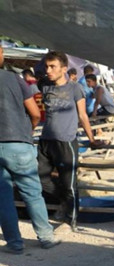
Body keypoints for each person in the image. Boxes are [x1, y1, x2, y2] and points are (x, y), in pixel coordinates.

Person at [0, 45, 60, 254]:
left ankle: (15, 243)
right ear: (1, 54)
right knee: (33, 193)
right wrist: (26, 132)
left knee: (3, 197)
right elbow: (35, 113)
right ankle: (46, 237)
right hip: (19, 144)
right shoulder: (16, 79)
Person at [37, 50, 102, 229]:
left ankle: (70, 219)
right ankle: (64, 201)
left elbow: (83, 115)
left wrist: (92, 138)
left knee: (69, 184)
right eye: (47, 66)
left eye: (52, 66)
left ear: (64, 69)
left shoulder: (75, 88)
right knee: (39, 178)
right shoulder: (44, 85)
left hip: (66, 141)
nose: (48, 70)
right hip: (46, 140)